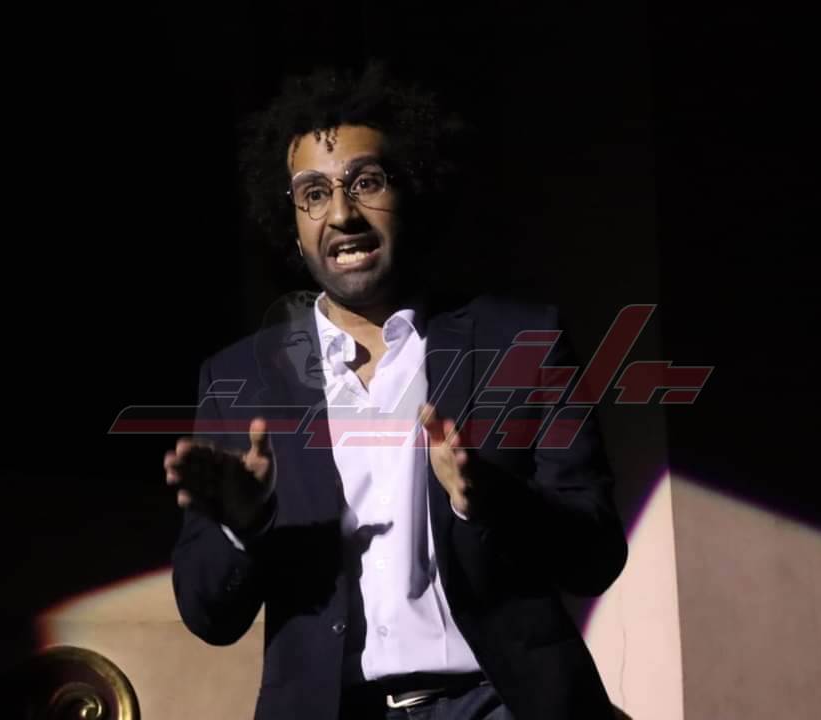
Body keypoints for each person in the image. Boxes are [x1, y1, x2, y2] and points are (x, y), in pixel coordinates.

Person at [164, 62, 628, 720]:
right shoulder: (240, 378)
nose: (342, 214)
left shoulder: (521, 340)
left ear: (410, 188)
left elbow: (597, 556)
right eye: (314, 194)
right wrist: (243, 528)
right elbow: (207, 614)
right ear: (291, 222)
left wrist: (492, 500)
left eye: (366, 182)